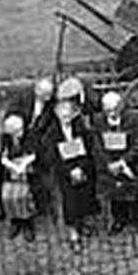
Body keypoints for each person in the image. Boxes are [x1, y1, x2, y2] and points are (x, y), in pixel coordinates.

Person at [41, 99, 100, 247]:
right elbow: (52, 158)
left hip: (83, 168)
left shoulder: (81, 128)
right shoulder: (51, 134)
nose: (66, 119)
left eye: (68, 116)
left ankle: (84, 220)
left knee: (86, 196)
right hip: (65, 172)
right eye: (63, 116)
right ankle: (73, 231)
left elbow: (89, 149)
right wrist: (70, 171)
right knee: (70, 201)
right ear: (57, 116)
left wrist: (81, 168)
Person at [94, 92, 138, 235]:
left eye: (114, 109)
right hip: (110, 165)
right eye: (107, 110)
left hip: (129, 163)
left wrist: (123, 162)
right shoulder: (98, 120)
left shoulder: (132, 119)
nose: (111, 113)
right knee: (115, 194)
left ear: (121, 107)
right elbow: (97, 146)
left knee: (134, 194)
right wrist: (109, 163)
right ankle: (119, 220)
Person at [6, 77, 56, 217]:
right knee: (5, 167)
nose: (48, 98)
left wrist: (40, 145)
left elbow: (51, 126)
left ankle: (41, 200)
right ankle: (4, 205)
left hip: (38, 140)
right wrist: (17, 130)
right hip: (18, 134)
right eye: (45, 94)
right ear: (37, 90)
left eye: (50, 94)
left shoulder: (51, 104)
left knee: (42, 163)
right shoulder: (22, 98)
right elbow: (10, 116)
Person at [0, 114, 38, 242]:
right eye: (15, 132)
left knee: (24, 195)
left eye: (20, 130)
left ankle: (27, 221)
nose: (20, 133)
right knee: (7, 195)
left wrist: (24, 165)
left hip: (28, 167)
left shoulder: (30, 134)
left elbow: (35, 153)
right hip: (12, 168)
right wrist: (12, 166)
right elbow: (3, 157)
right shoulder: (5, 138)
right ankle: (14, 219)